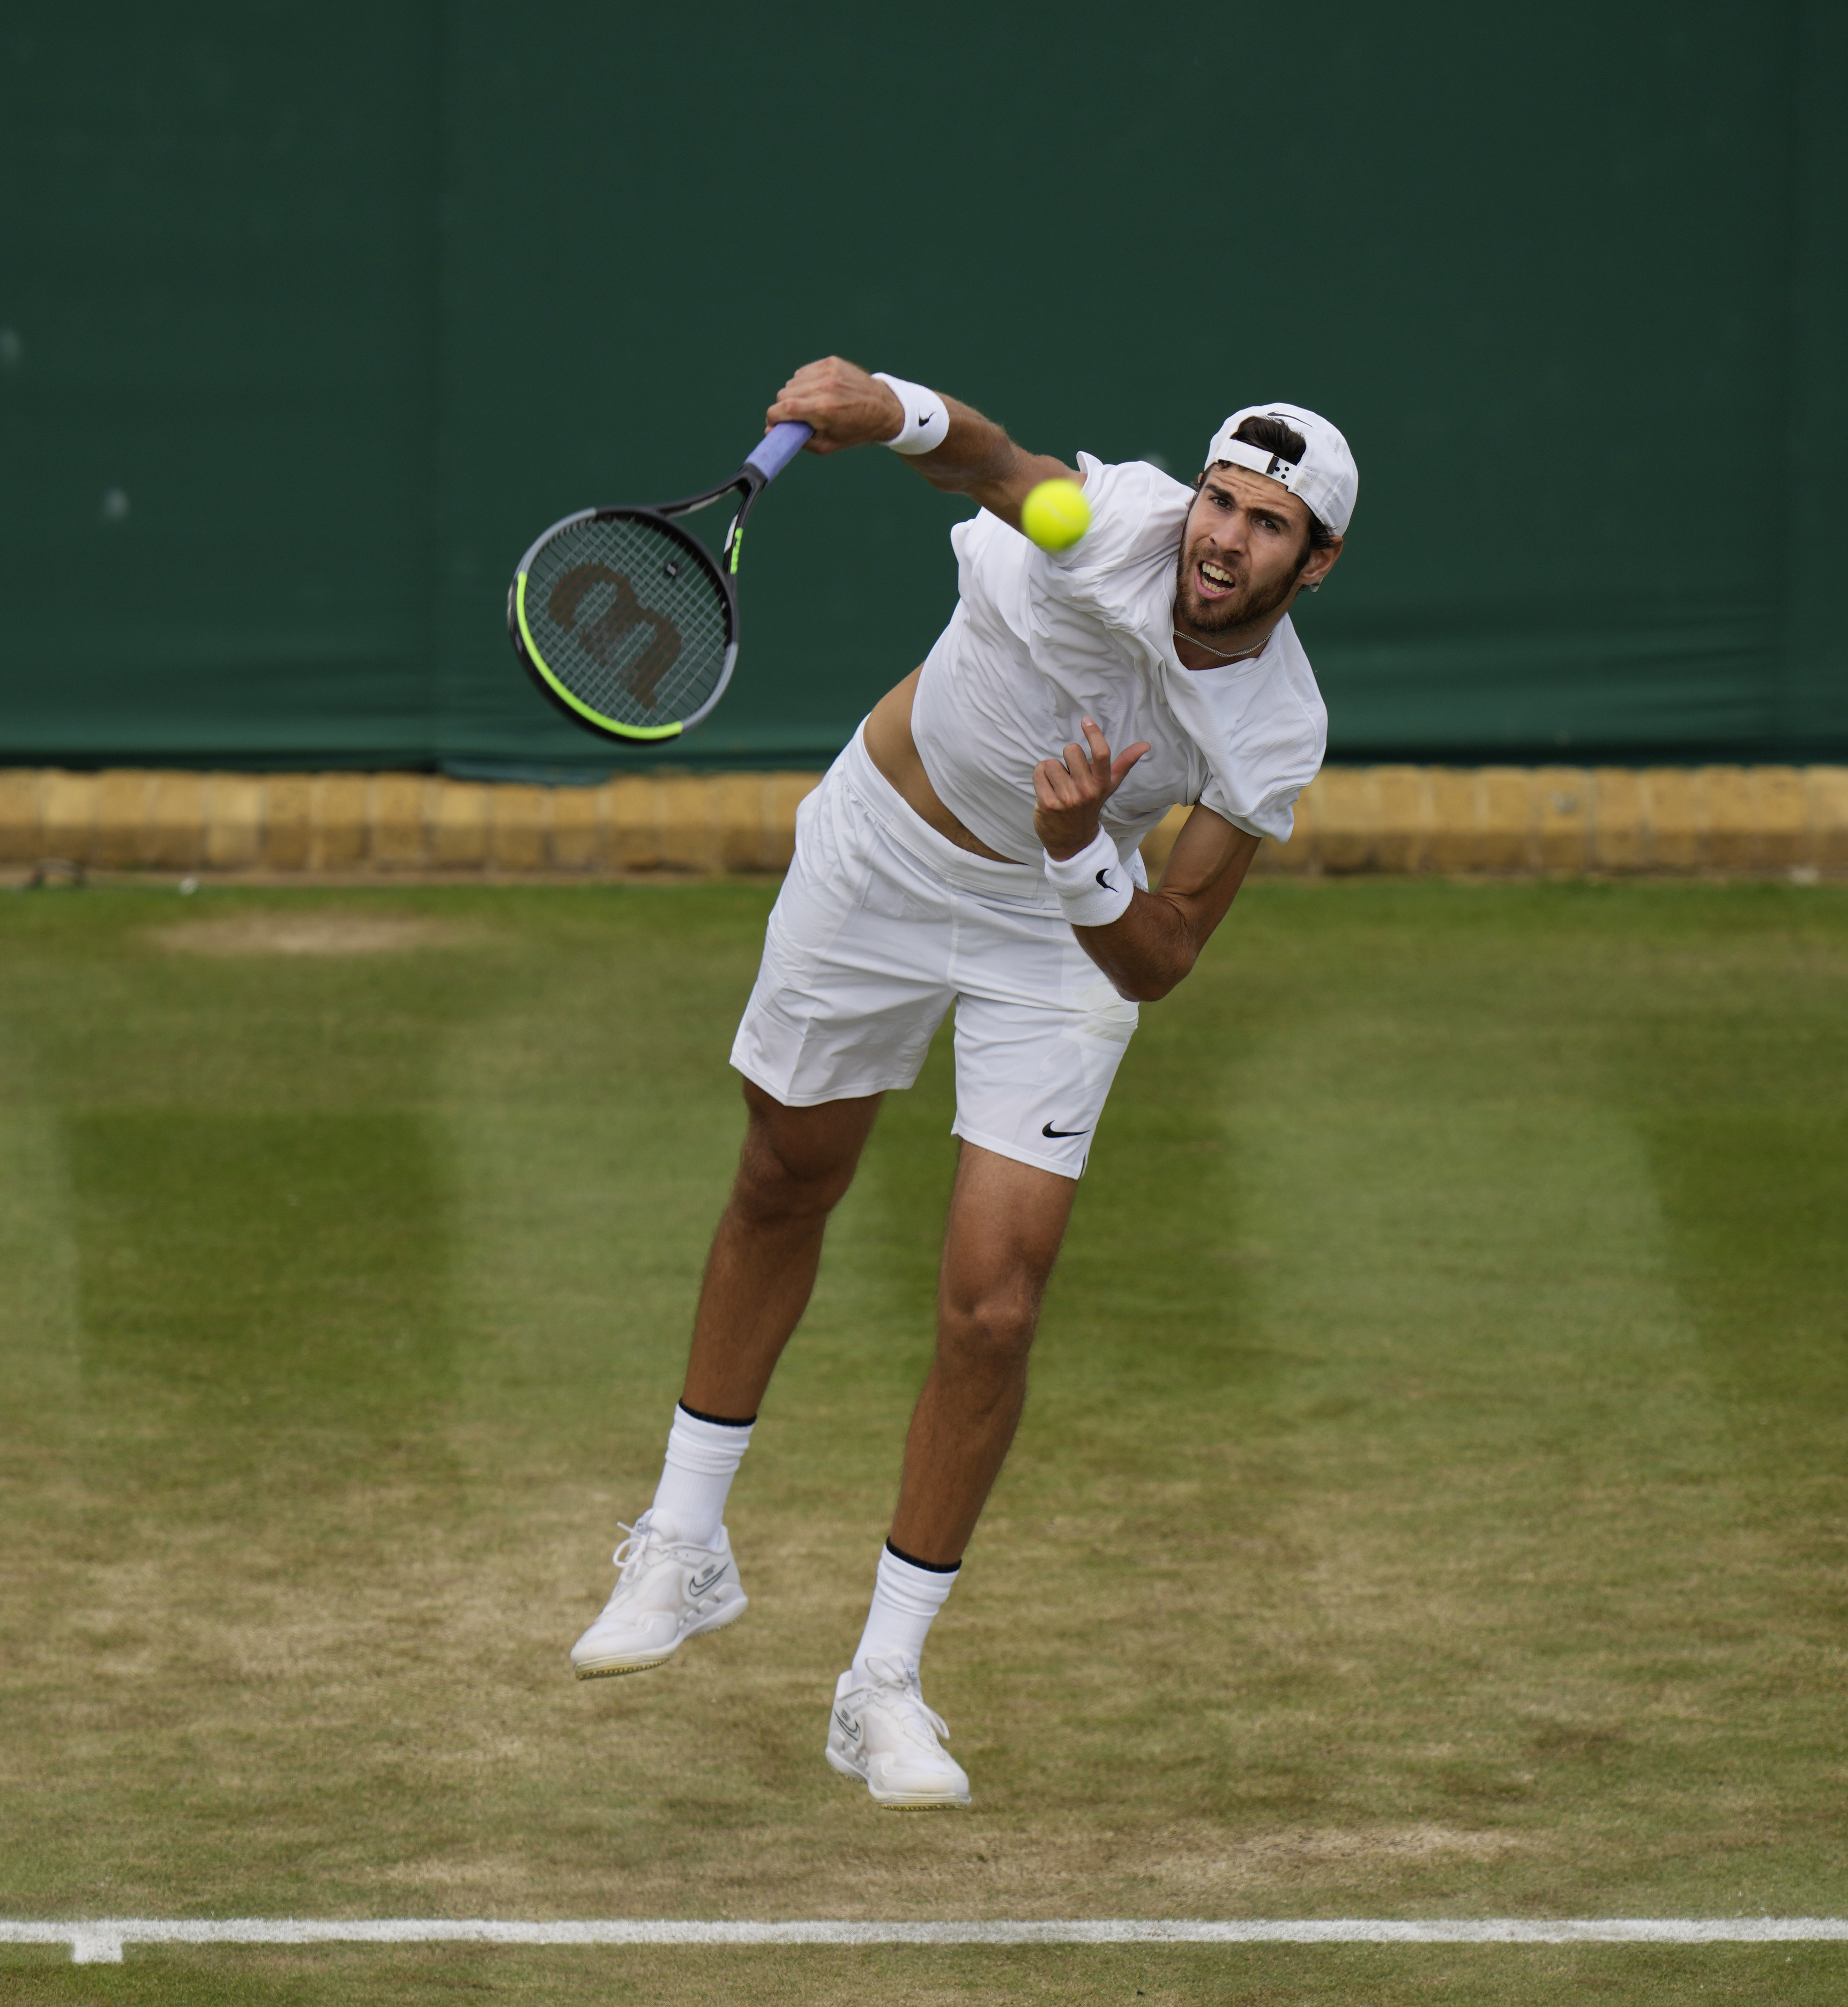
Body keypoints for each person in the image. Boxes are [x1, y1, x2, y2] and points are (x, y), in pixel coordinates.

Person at [567, 357, 1355, 1809]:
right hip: (879, 851)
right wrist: (894, 409)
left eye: (1269, 527)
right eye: (1222, 502)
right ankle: (683, 1545)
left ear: (1316, 564)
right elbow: (998, 468)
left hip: (1060, 931)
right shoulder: (1105, 526)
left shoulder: (1275, 727)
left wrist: (1079, 858)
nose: (1225, 540)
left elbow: (1164, 954)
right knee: (785, 1175)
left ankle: (884, 1683)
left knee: (996, 1307)